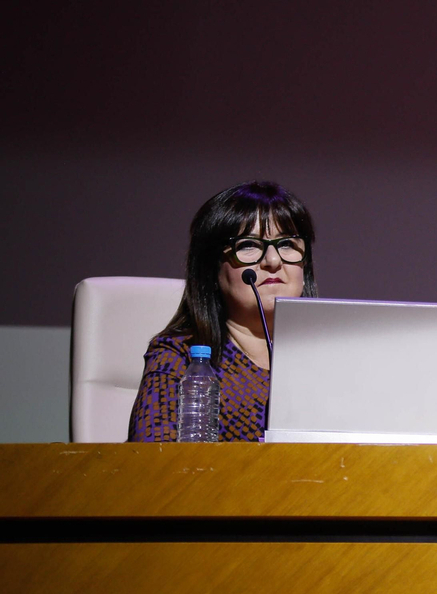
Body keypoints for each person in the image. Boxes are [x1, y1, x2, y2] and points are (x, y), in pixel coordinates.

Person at [128, 181, 316, 441]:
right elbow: (153, 456)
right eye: (248, 245)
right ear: (212, 270)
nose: (273, 261)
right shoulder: (180, 357)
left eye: (287, 244)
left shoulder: (329, 357)